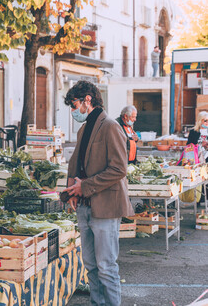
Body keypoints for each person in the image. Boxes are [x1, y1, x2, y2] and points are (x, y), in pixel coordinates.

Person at [63, 80, 134, 306]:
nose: (73, 111)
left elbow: (119, 169)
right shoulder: (85, 128)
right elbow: (76, 164)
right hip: (84, 207)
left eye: (74, 105)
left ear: (87, 100)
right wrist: (72, 191)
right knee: (91, 266)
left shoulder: (111, 126)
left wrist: (83, 186)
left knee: (106, 267)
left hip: (105, 206)